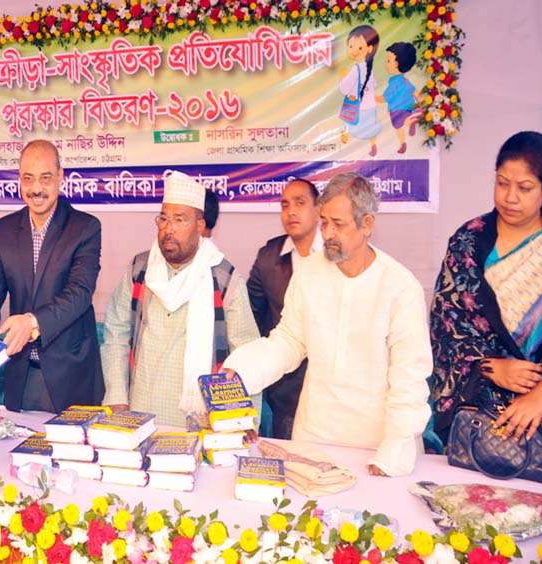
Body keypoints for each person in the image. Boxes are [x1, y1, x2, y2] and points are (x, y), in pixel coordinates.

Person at [222, 172, 431, 477]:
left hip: (375, 448)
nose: (328, 233)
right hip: (313, 439)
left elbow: (409, 378)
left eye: (339, 224)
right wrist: (241, 371)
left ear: (367, 225)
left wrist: (392, 454)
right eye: (324, 222)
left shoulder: (399, 286)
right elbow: (289, 340)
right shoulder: (309, 273)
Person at [101, 170, 260, 427]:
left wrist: (244, 421)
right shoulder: (139, 269)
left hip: (196, 422)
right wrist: (117, 396)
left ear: (199, 226)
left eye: (179, 220)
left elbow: (247, 354)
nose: (168, 229)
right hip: (138, 415)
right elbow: (115, 333)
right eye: (163, 218)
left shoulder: (224, 278)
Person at [431, 131, 542, 443]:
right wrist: (491, 367)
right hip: (478, 412)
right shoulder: (468, 242)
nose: (510, 197)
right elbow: (444, 329)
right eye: (502, 183)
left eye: (525, 188)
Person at [0, 140, 104, 413]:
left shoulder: (85, 228)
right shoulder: (4, 230)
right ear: (19, 179)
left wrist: (33, 321)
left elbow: (80, 293)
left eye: (45, 178)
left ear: (60, 177)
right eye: (28, 179)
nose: (36, 188)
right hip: (21, 371)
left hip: (69, 374)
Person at [246, 178, 322, 439]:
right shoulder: (269, 257)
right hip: (286, 389)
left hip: (331, 388)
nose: (291, 211)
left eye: (300, 203)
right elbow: (250, 317)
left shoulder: (337, 254)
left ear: (318, 208)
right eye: (285, 205)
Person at [339, 25, 382, 157]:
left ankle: (346, 136)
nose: (354, 51)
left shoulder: (356, 69)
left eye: (359, 47)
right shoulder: (369, 69)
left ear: (369, 49)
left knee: (347, 119)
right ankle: (373, 144)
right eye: (351, 47)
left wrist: (342, 76)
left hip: (357, 108)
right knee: (371, 128)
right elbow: (373, 84)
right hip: (370, 107)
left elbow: (344, 88)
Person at [376, 42, 418, 154]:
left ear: (397, 64)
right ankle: (410, 122)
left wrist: (372, 97)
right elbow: (416, 92)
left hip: (396, 111)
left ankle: (403, 142)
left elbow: (384, 99)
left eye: (389, 60)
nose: (386, 63)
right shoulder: (405, 81)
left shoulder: (394, 83)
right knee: (405, 120)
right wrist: (423, 102)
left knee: (398, 127)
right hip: (409, 108)